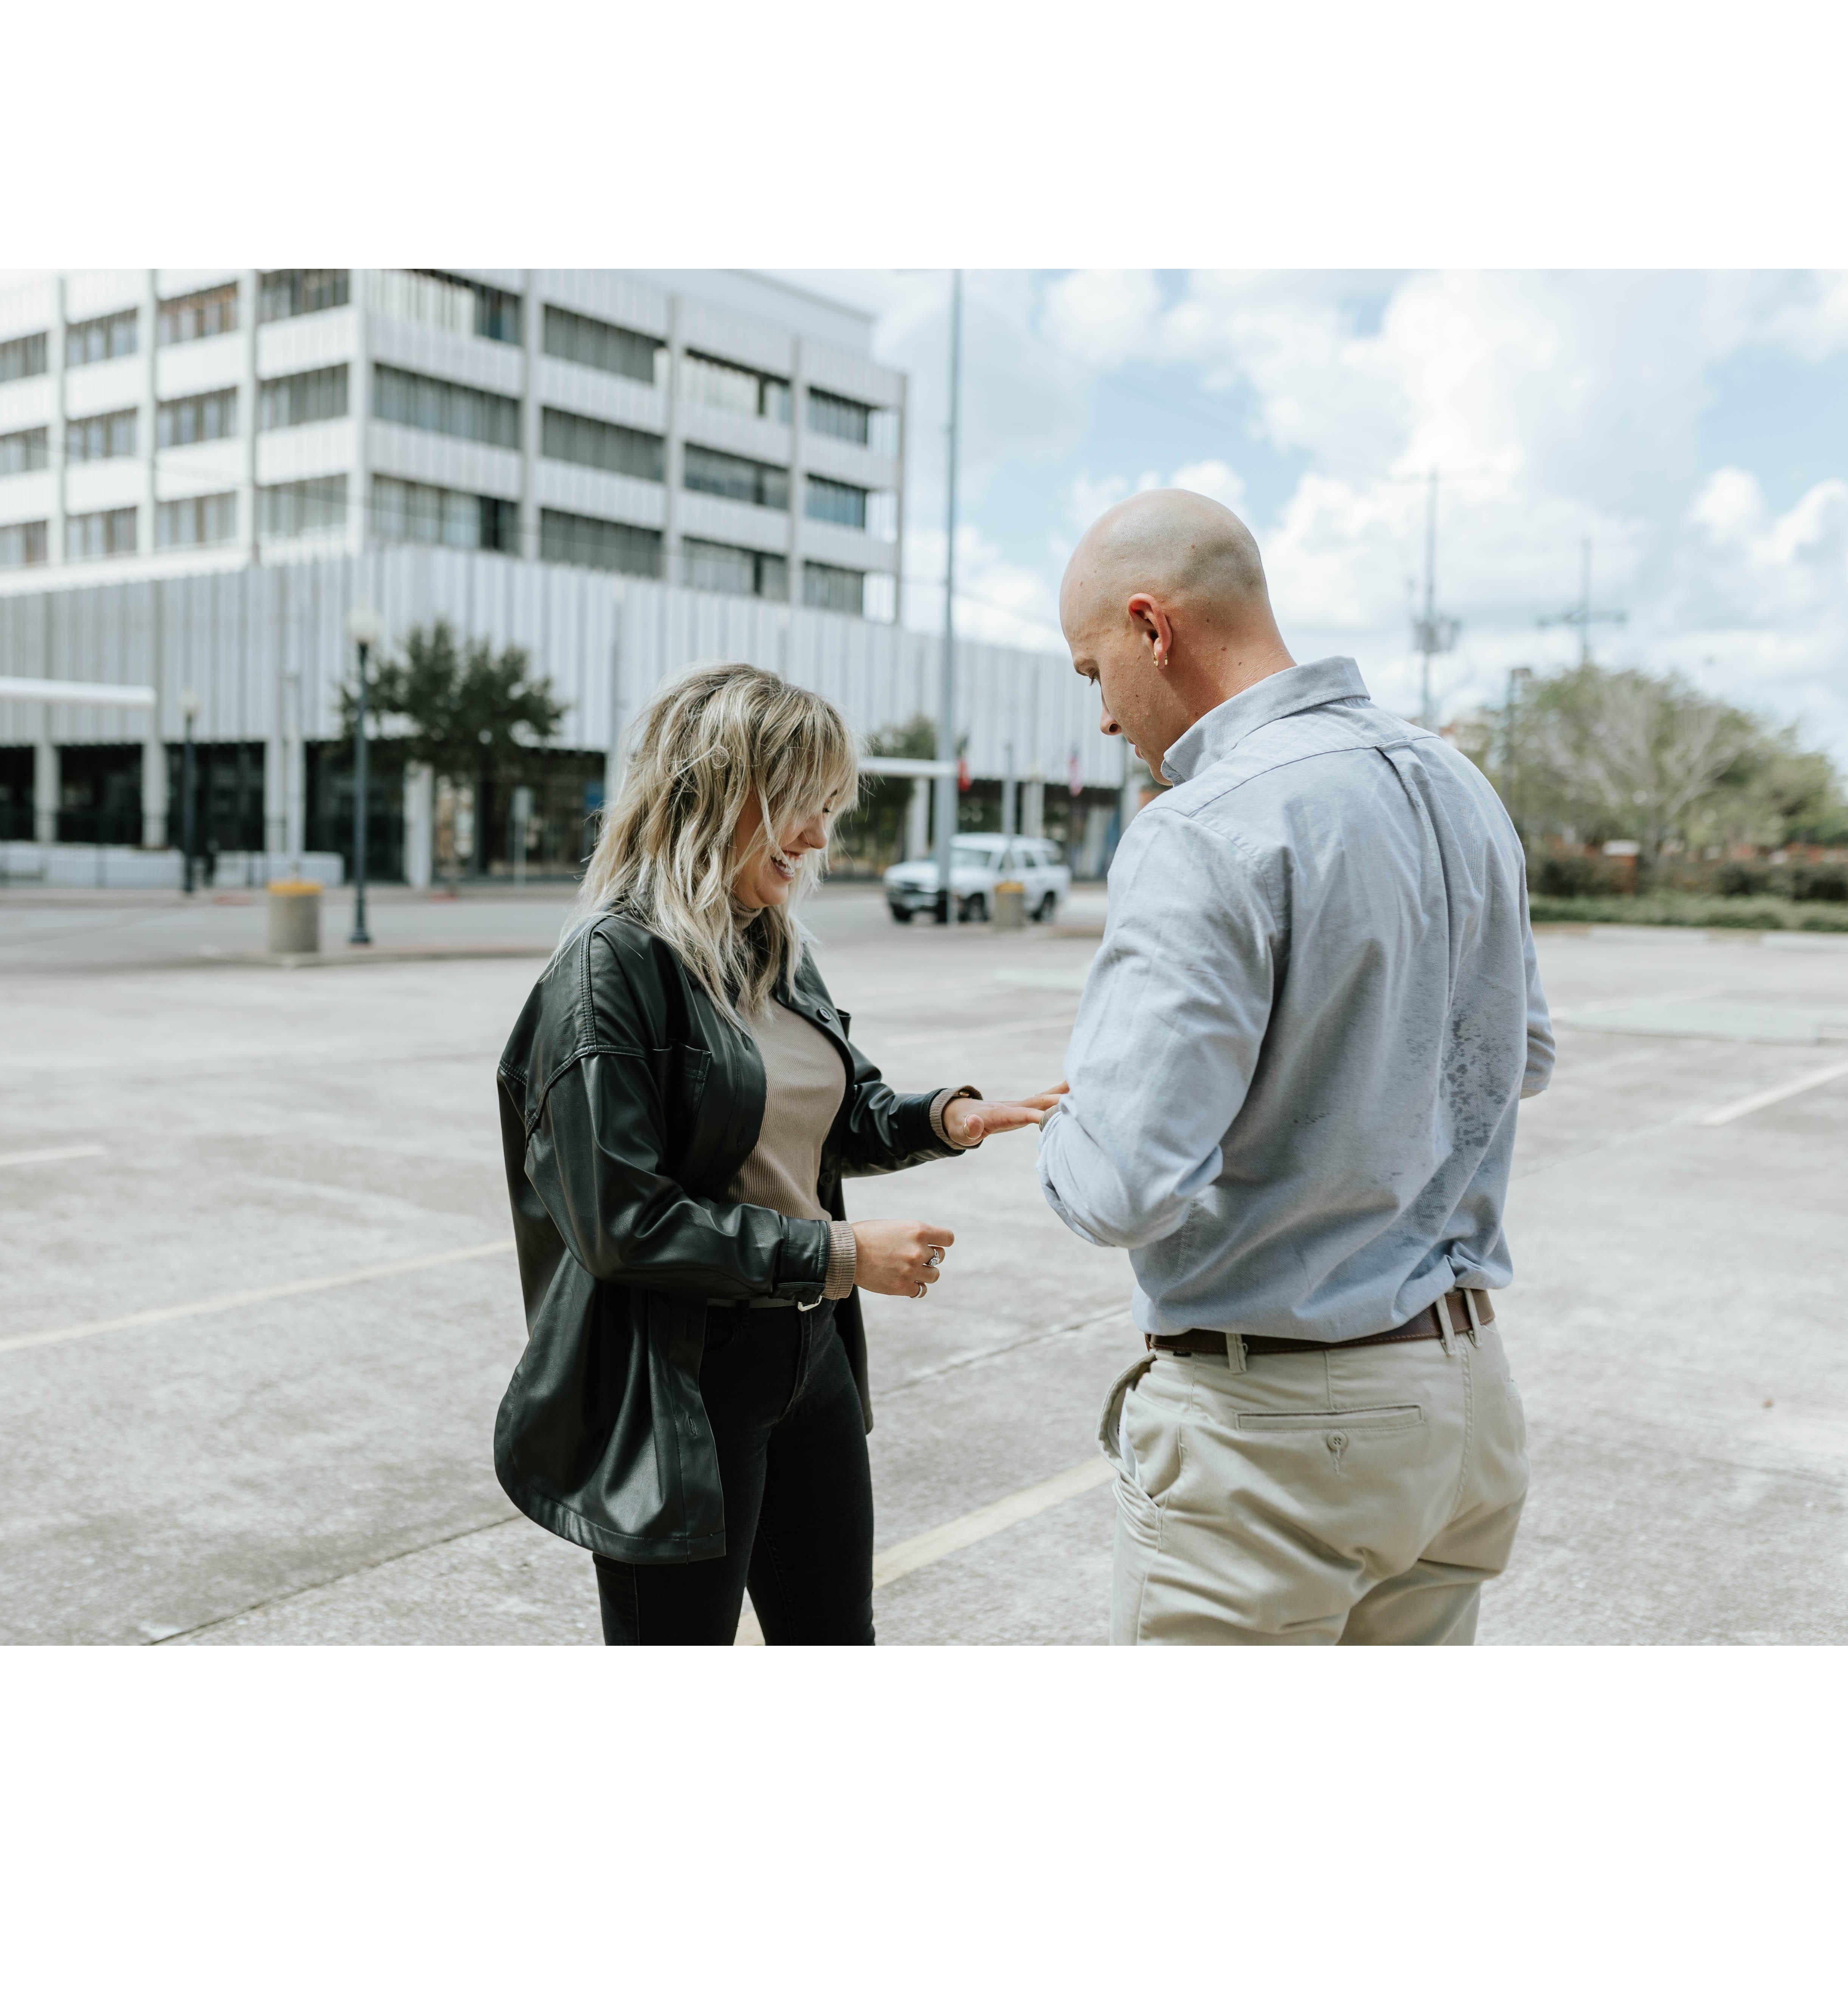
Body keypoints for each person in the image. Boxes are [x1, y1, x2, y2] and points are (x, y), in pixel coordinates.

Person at [1037, 490, 1553, 1645]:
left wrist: (1072, 1124)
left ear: (1151, 627)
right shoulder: (1459, 785)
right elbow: (1522, 1056)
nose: (1105, 715)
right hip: (1463, 1397)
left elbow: (1122, 1187)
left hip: (1277, 1430)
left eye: (1093, 671)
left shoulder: (1203, 826)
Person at [493, 662, 1059, 1646]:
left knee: (836, 1642)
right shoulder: (610, 970)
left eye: (830, 808)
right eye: (802, 803)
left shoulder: (772, 947)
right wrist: (842, 1254)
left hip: (809, 1359)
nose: (818, 837)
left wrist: (946, 1119)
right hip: (681, 1385)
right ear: (714, 790)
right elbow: (624, 1224)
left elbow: (836, 1113)